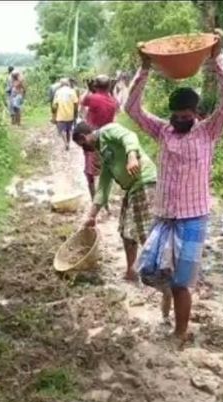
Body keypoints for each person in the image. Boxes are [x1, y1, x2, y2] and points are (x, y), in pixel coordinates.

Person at [126, 29, 223, 345]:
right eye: (175, 115)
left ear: (197, 114)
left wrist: (216, 59)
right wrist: (145, 67)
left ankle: (180, 332)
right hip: (164, 216)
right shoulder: (163, 131)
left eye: (185, 115)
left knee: (180, 282)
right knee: (153, 270)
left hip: (193, 218)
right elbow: (132, 109)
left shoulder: (207, 132)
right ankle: (166, 297)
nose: (179, 119)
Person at [75, 121, 174, 322]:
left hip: (145, 182)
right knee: (126, 231)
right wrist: (91, 215)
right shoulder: (104, 155)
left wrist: (130, 156)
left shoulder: (109, 130)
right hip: (133, 189)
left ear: (87, 134)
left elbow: (129, 137)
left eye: (82, 141)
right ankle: (131, 271)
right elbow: (103, 186)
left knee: (148, 235)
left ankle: (166, 280)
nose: (84, 146)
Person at [80, 74, 119, 200]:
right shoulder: (113, 101)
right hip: (108, 136)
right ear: (109, 87)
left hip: (92, 137)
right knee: (105, 168)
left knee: (89, 171)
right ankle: (104, 196)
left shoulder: (93, 98)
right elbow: (117, 107)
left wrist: (88, 89)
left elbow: (82, 101)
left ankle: (94, 199)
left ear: (95, 86)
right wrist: (111, 91)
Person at [51, 78, 79, 150]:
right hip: (70, 114)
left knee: (62, 130)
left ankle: (65, 143)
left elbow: (54, 105)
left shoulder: (58, 92)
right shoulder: (72, 91)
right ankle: (68, 143)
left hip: (60, 114)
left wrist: (54, 114)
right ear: (68, 84)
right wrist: (75, 113)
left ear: (61, 84)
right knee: (69, 130)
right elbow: (76, 103)